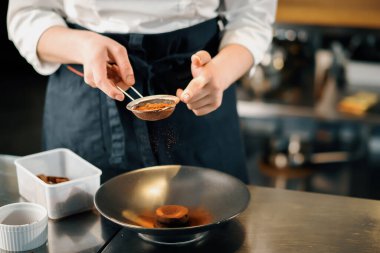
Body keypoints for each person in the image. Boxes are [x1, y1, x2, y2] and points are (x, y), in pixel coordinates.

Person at [7, 0, 276, 183]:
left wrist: (221, 72)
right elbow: (27, 13)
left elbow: (252, 15)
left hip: (199, 89)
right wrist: (83, 46)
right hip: (88, 96)